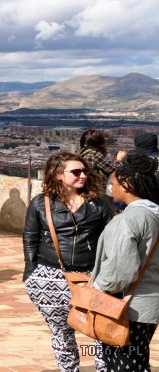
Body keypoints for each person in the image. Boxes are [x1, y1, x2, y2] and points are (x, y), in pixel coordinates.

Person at [22, 151, 115, 372]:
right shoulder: (40, 204)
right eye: (76, 171)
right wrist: (30, 272)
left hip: (90, 276)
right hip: (50, 276)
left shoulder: (99, 203)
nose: (82, 175)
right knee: (61, 332)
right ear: (58, 175)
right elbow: (29, 237)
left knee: (100, 330)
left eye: (84, 171)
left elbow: (112, 239)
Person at [91, 154, 159, 371]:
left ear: (127, 184)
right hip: (150, 304)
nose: (110, 188)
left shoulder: (129, 219)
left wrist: (97, 288)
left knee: (125, 365)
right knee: (138, 360)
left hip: (128, 308)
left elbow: (119, 272)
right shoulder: (154, 214)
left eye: (112, 184)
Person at [80, 128, 119, 198]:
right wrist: (119, 160)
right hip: (96, 190)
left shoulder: (81, 153)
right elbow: (113, 169)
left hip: (85, 188)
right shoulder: (94, 154)